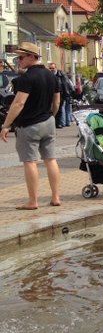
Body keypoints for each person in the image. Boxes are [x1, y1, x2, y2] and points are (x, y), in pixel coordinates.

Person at [1, 42, 62, 210]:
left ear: (31, 56)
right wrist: (51, 116)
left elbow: (18, 103)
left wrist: (6, 125)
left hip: (29, 125)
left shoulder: (26, 79)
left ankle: (33, 201)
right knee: (50, 159)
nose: (18, 60)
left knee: (30, 161)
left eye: (20, 57)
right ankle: (56, 197)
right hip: (48, 122)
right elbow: (56, 101)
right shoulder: (52, 76)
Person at [47, 61, 74, 128]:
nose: (51, 70)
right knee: (62, 108)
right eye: (50, 68)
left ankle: (62, 123)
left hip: (62, 94)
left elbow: (66, 85)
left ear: (56, 68)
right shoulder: (49, 75)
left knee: (61, 108)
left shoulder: (61, 75)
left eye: (52, 68)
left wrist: (67, 94)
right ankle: (64, 122)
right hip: (54, 94)